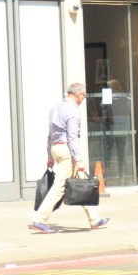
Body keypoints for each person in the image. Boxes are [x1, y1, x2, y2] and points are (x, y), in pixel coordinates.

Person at [31, 82, 109, 233]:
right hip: (67, 151)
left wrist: (50, 155)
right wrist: (78, 159)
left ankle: (94, 219)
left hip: (56, 148)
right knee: (60, 186)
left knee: (82, 182)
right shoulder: (73, 111)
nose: (83, 99)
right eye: (84, 96)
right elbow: (72, 137)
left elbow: (50, 133)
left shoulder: (55, 108)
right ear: (79, 95)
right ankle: (39, 219)